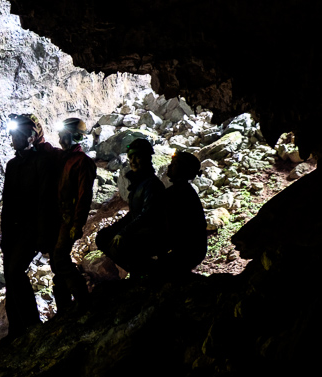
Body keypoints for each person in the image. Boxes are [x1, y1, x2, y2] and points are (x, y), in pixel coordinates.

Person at [0, 113, 61, 339]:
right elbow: (8, 202)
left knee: (15, 271)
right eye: (13, 135)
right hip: (15, 229)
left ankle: (33, 325)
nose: (15, 139)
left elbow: (45, 199)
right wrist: (5, 235)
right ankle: (17, 329)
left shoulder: (42, 162)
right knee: (9, 275)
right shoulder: (12, 165)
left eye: (20, 134)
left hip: (32, 227)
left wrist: (42, 234)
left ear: (33, 136)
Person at [96, 137, 165, 276]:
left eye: (137, 157)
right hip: (141, 229)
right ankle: (139, 271)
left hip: (152, 234)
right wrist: (115, 229)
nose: (132, 161)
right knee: (103, 237)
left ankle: (148, 272)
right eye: (130, 157)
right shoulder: (139, 183)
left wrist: (123, 232)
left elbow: (148, 215)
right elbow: (133, 214)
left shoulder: (152, 184)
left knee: (120, 245)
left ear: (147, 158)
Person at [50, 117, 97, 314]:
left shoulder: (82, 163)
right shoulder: (62, 159)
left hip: (68, 218)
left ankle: (83, 300)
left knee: (60, 259)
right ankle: (64, 307)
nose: (60, 139)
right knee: (56, 260)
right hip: (56, 216)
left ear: (74, 137)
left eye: (64, 135)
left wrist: (76, 225)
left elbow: (83, 197)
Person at [150, 150, 207, 277]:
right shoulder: (183, 191)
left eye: (174, 164)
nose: (169, 166)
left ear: (183, 169)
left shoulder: (179, 194)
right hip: (192, 250)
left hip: (186, 252)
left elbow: (172, 228)